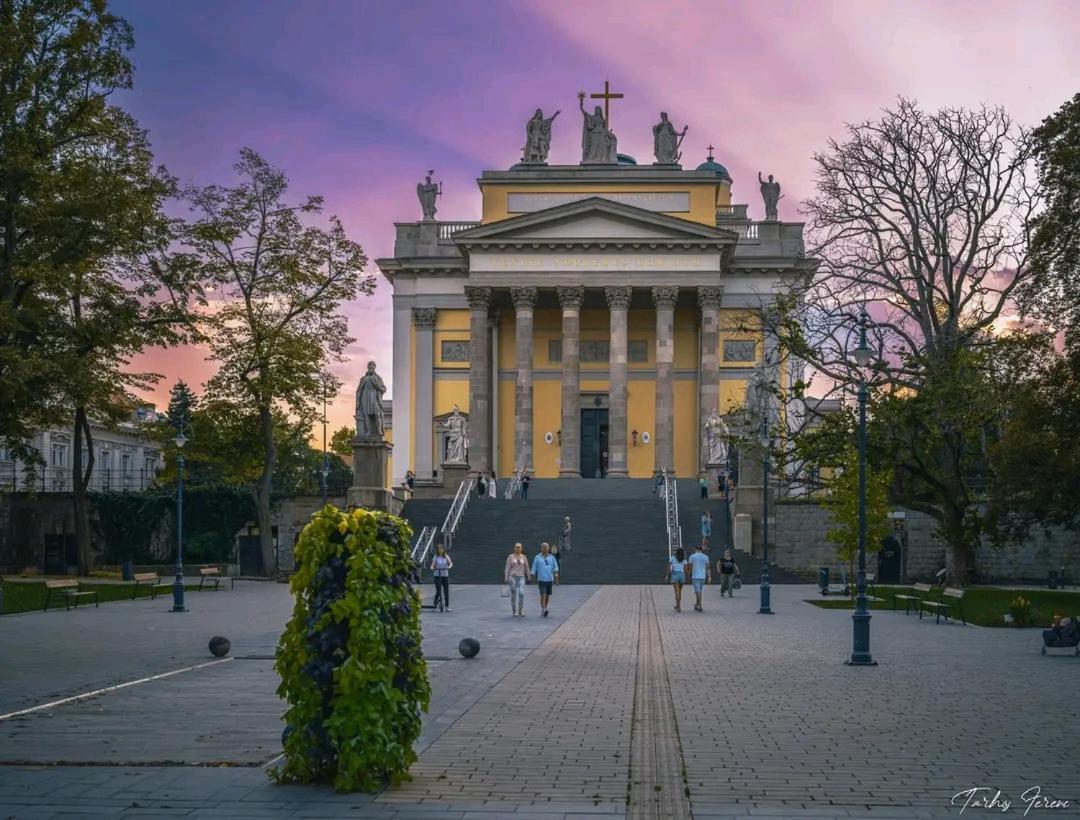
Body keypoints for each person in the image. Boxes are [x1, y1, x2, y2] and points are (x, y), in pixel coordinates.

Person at [531, 542, 559, 617]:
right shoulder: (537, 557)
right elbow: (534, 567)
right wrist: (532, 575)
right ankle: (544, 609)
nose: (544, 548)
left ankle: (545, 607)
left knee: (547, 596)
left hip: (550, 579)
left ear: (548, 548)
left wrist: (556, 574)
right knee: (543, 595)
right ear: (541, 548)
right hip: (541, 579)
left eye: (546, 547)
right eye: (543, 547)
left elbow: (555, 567)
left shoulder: (552, 557)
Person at [504, 542, 531, 617]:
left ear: (521, 548)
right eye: (516, 547)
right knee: (514, 595)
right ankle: (514, 611)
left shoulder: (524, 557)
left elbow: (527, 567)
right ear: (514, 548)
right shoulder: (510, 557)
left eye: (519, 547)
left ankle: (520, 611)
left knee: (521, 593)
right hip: (512, 577)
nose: (518, 548)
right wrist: (506, 577)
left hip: (521, 577)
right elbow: (507, 568)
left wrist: (528, 576)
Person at [688, 543, 711, 612]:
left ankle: (699, 605)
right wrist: (709, 577)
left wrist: (689, 574)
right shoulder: (706, 557)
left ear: (695, 549)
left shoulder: (692, 556)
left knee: (697, 591)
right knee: (699, 591)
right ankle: (698, 604)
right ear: (701, 550)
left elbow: (690, 567)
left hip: (695, 576)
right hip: (703, 576)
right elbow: (708, 568)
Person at [430, 544, 453, 612]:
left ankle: (447, 606)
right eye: (439, 549)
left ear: (443, 549)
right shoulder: (435, 557)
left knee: (446, 591)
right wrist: (432, 567)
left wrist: (449, 567)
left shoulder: (446, 556)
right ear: (437, 550)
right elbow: (432, 564)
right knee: (438, 591)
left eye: (441, 549)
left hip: (445, 575)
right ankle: (434, 605)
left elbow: (451, 563)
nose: (440, 550)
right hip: (437, 575)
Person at [666, 547, 688, 612]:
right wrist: (686, 576)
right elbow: (685, 569)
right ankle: (678, 605)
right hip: (682, 575)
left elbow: (668, 567)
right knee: (680, 591)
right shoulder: (684, 560)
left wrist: (667, 575)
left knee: (676, 591)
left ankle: (679, 607)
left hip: (675, 574)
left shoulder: (672, 558)